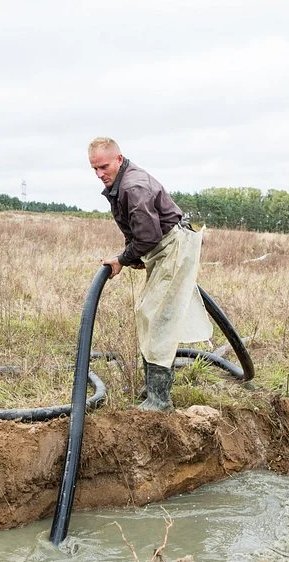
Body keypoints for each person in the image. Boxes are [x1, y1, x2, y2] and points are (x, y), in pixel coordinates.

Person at [88, 137, 212, 411]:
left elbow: (149, 235)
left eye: (104, 166)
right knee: (148, 312)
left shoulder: (134, 186)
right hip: (160, 247)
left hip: (172, 247)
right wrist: (136, 256)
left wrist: (122, 259)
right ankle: (152, 389)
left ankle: (160, 399)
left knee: (157, 318)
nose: (99, 174)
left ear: (119, 159)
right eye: (94, 169)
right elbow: (137, 231)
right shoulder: (120, 184)